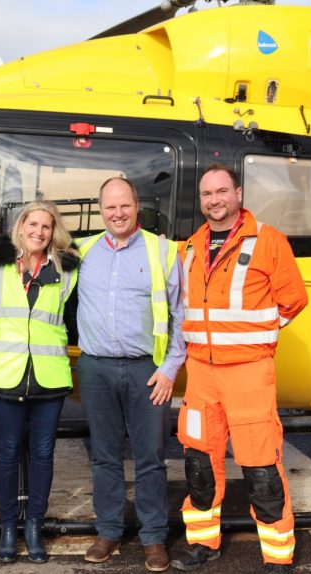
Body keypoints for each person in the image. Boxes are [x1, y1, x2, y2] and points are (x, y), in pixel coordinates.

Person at [171, 163, 308, 574]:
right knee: (199, 463)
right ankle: (202, 543)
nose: (215, 200)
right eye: (207, 194)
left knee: (262, 467)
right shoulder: (190, 248)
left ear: (238, 194)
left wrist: (260, 335)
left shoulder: (269, 241)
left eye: (222, 191)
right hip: (201, 375)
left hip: (249, 374)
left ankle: (277, 557)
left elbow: (294, 300)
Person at [76, 177, 186, 572]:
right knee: (104, 456)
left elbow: (181, 316)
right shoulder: (82, 250)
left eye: (124, 206)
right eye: (109, 207)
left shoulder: (163, 250)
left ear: (136, 205)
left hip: (147, 371)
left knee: (150, 458)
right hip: (95, 368)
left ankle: (153, 538)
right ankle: (108, 531)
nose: (117, 214)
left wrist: (170, 369)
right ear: (100, 209)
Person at [0, 201, 80, 564]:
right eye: (33, 224)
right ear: (20, 226)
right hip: (6, 374)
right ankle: (9, 526)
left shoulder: (67, 269)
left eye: (47, 226)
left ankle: (34, 524)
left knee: (42, 454)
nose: (39, 231)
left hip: (48, 376)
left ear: (55, 232)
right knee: (6, 453)